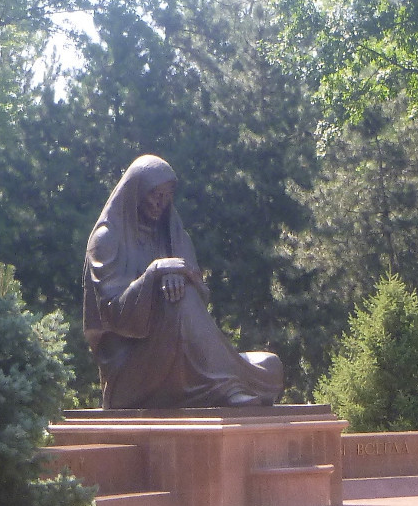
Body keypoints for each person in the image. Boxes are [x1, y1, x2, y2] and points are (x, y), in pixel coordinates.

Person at [81, 154, 285, 410]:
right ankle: (226, 387)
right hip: (132, 369)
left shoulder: (173, 234)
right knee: (179, 296)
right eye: (154, 194)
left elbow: (199, 304)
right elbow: (112, 315)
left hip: (182, 356)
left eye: (166, 196)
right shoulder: (107, 238)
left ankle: (221, 383)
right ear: (135, 192)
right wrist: (155, 273)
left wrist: (184, 275)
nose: (159, 203)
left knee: (270, 365)